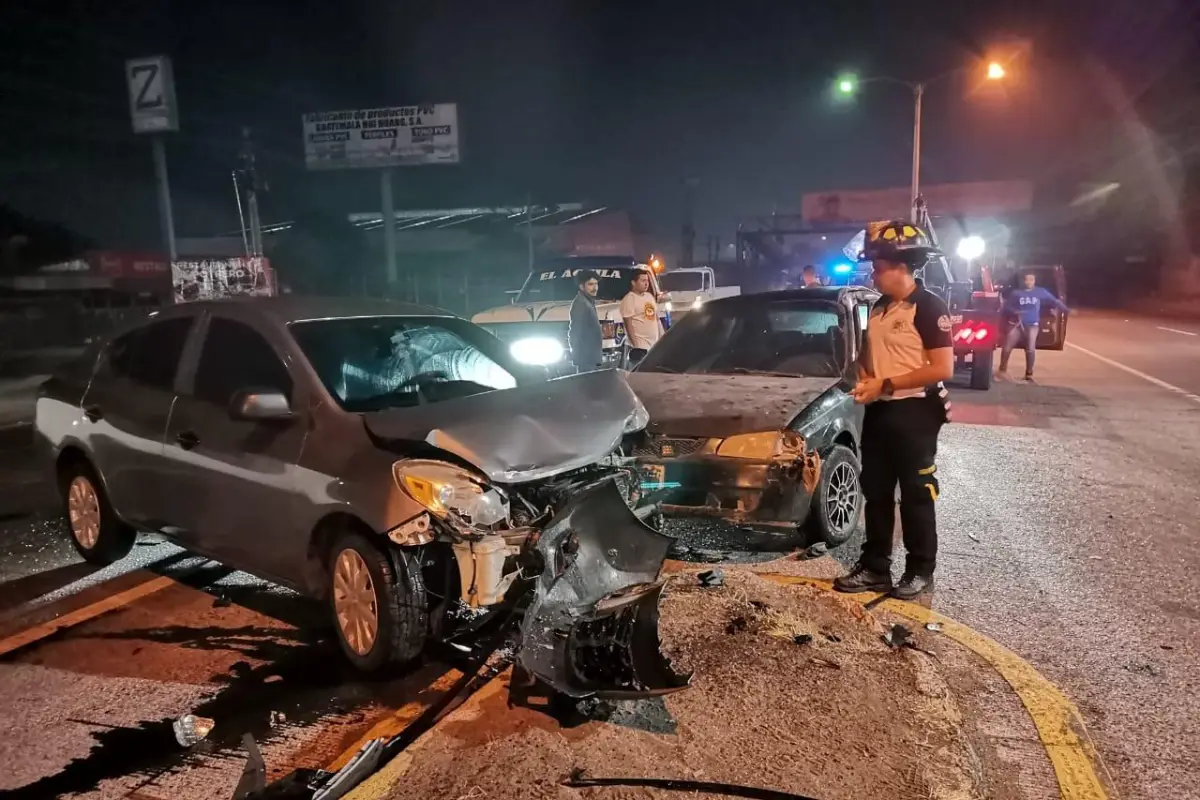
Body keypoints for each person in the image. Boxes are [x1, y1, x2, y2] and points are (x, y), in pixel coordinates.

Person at [833, 220, 954, 600]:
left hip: (916, 412)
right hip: (881, 413)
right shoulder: (882, 308)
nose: (873, 273)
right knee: (877, 492)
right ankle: (875, 568)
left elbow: (942, 368)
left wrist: (885, 384)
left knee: (917, 494)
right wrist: (867, 376)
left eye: (879, 266)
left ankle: (920, 571)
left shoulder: (929, 307)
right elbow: (870, 356)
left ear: (901, 268)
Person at [999, 271, 1069, 381]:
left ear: (1034, 281)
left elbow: (1055, 301)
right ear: (1024, 281)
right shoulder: (1016, 293)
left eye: (1031, 280)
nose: (1029, 282)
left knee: (1030, 349)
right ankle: (1002, 370)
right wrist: (1015, 312)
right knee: (1007, 347)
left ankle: (1029, 373)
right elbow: (1006, 307)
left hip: (1032, 325)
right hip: (1017, 324)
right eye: (1027, 279)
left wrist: (1066, 310)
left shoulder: (1040, 292)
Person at [619, 269, 663, 366]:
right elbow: (628, 324)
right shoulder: (629, 299)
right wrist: (636, 346)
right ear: (633, 283)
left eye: (647, 280)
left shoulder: (649, 297)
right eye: (643, 281)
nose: (646, 284)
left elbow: (656, 319)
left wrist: (662, 338)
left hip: (653, 346)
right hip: (640, 348)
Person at [568, 270, 603, 372]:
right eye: (590, 284)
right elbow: (575, 331)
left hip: (590, 358)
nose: (595, 288)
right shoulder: (581, 304)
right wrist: (578, 356)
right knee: (587, 386)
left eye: (596, 284)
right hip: (586, 359)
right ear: (582, 287)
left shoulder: (588, 301)